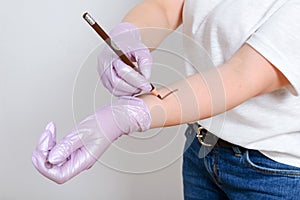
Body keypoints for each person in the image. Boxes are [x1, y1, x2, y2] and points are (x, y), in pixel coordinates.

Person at [32, 0, 300, 199]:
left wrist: (127, 116)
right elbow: (166, 5)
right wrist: (131, 35)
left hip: (273, 173)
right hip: (201, 145)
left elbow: (239, 77)